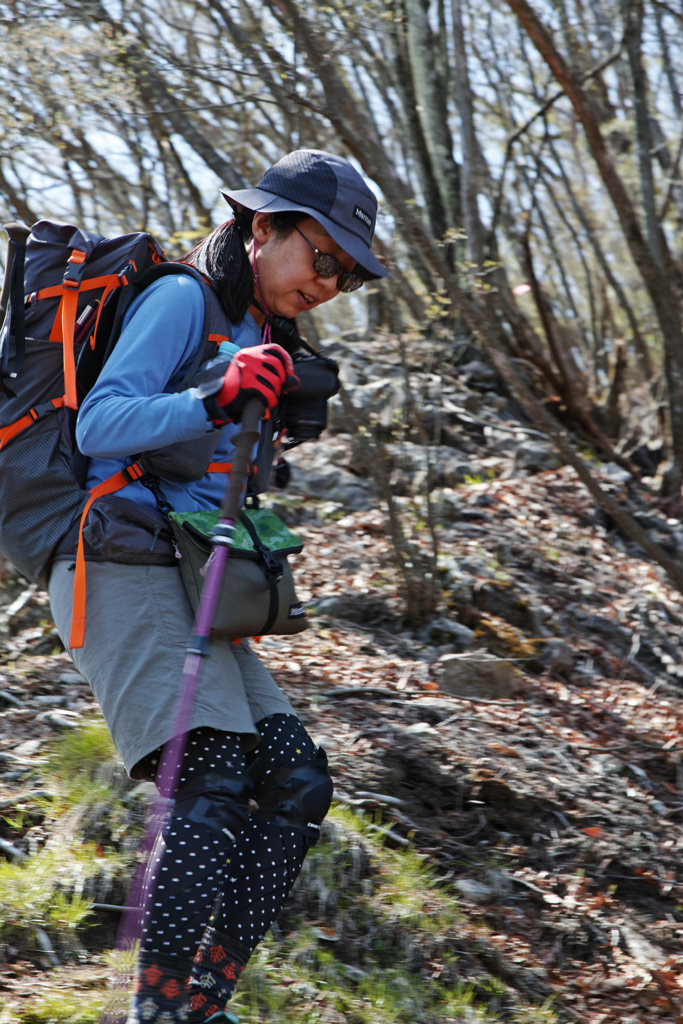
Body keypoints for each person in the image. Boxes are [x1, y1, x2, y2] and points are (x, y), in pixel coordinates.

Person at [47, 150, 389, 1024]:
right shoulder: (181, 299)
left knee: (297, 782)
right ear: (261, 226)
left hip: (195, 571)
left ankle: (205, 1004)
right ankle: (156, 1011)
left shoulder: (261, 334)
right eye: (322, 258)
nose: (330, 282)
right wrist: (212, 397)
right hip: (115, 562)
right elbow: (101, 423)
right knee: (209, 781)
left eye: (346, 275)